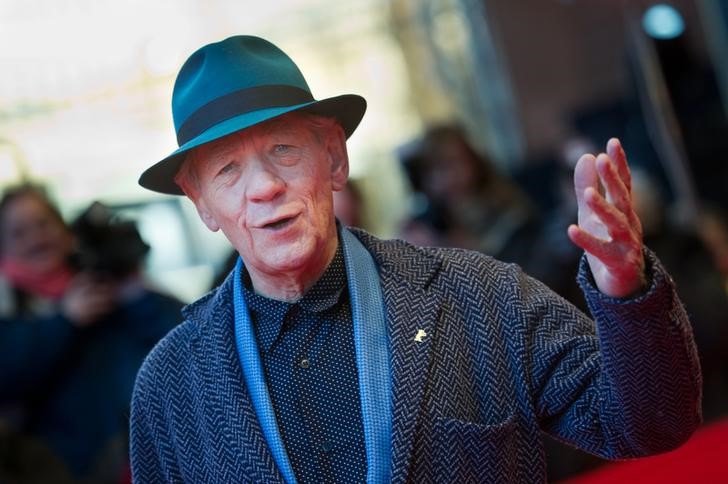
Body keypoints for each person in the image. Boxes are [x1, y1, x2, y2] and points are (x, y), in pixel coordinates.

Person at [131, 35, 701, 483]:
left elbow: (651, 424)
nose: (263, 188)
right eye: (227, 170)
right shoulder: (171, 387)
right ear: (202, 202)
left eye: (283, 149)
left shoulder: (479, 295)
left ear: (333, 156)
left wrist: (627, 292)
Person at [0, 184, 182, 482]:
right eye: (19, 232)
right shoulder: (8, 304)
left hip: (142, 454)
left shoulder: (103, 281)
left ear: (64, 229)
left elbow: (180, 339)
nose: (36, 238)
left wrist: (133, 290)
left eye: (44, 224)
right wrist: (64, 322)